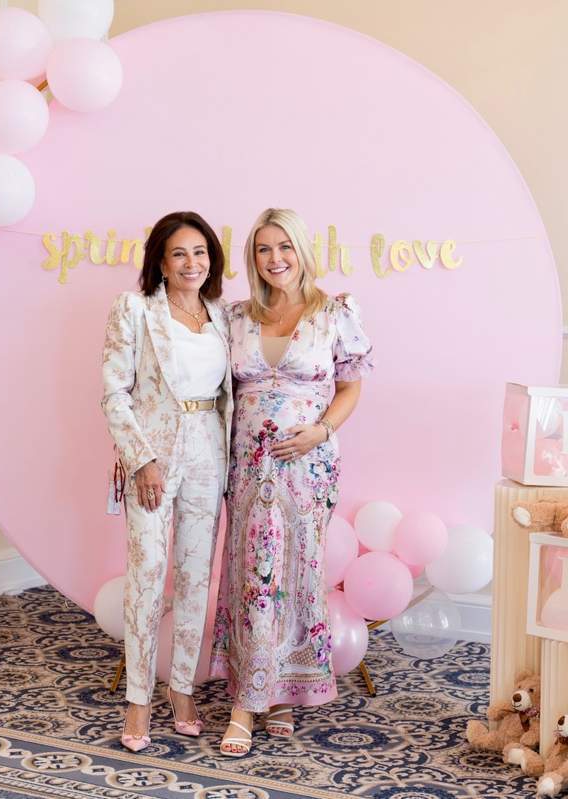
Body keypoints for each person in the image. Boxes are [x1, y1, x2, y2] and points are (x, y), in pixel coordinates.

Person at [211, 208, 373, 756]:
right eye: (263, 248)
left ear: (302, 251)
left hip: (308, 466)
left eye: (284, 246)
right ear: (252, 257)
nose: (274, 258)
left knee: (296, 571)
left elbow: (351, 387)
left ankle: (278, 692)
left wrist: (321, 431)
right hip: (248, 466)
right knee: (253, 572)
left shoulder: (335, 313)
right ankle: (249, 697)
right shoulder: (236, 317)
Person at [102, 211, 232, 751]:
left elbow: (229, 395)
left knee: (195, 577)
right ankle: (138, 699)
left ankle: (182, 689)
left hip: (209, 453)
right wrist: (141, 460)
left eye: (200, 252)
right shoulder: (134, 310)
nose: (191, 263)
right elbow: (114, 392)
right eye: (179, 253)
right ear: (160, 261)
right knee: (148, 574)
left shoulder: (223, 315)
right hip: (153, 458)